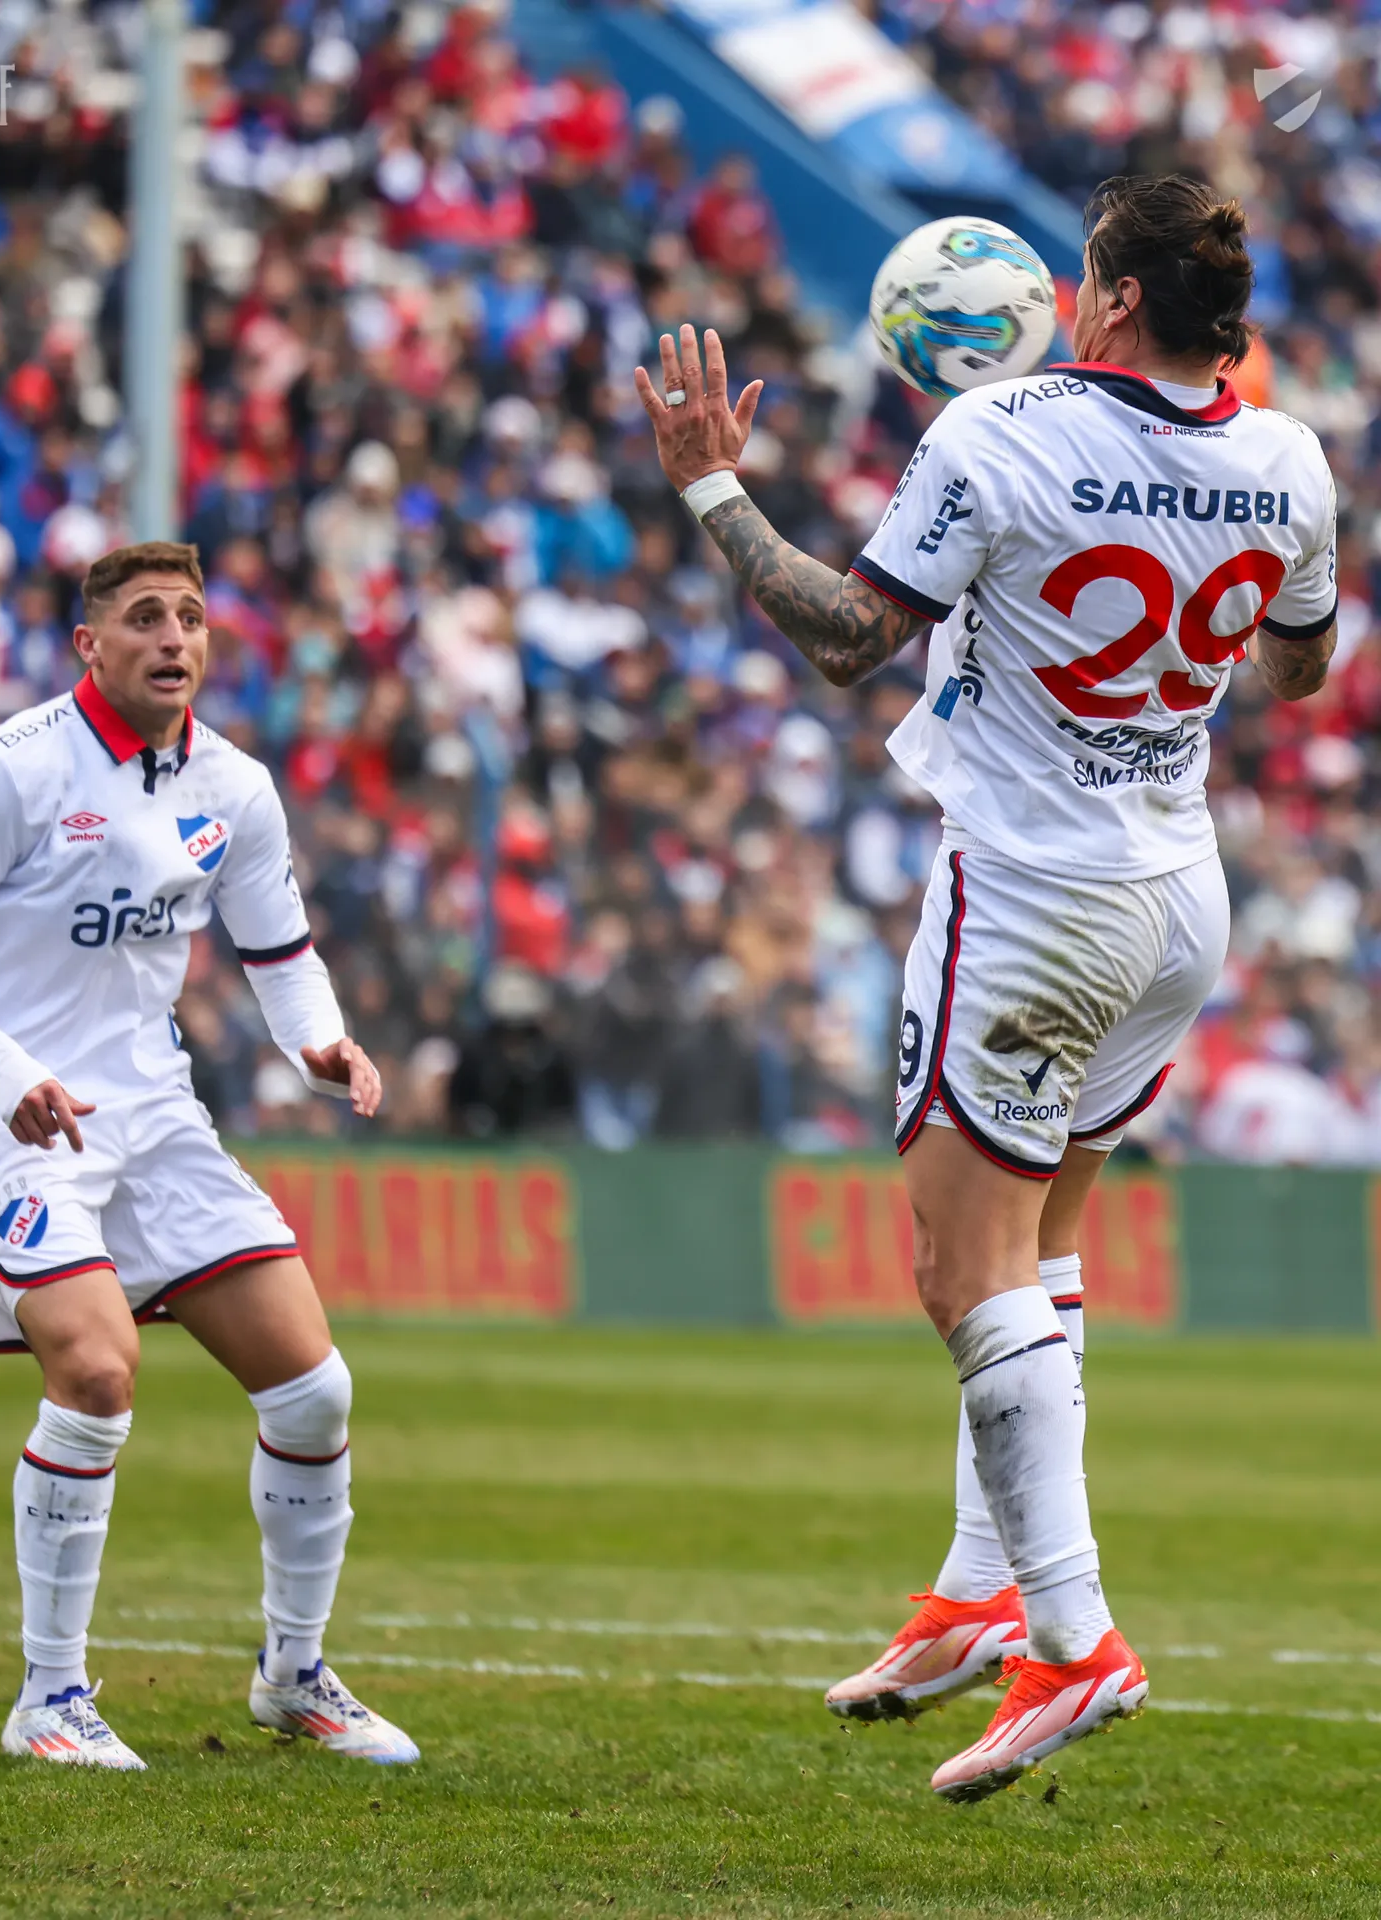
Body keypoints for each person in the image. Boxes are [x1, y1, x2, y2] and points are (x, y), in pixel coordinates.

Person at [635, 176, 1337, 1800]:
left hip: (1030, 896)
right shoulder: (1288, 457)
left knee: (963, 1272)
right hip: (1175, 894)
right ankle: (976, 1596)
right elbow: (1299, 670)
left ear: (1112, 299)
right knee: (1044, 1247)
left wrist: (711, 487)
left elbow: (845, 635)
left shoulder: (997, 431)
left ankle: (1074, 1639)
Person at [0, 541, 420, 1773]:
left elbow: (280, 953)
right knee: (99, 1373)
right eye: (147, 617)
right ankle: (50, 1698)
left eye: (192, 618)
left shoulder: (237, 787)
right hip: (7, 1118)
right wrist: (11, 1074)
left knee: (315, 1390)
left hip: (154, 1116)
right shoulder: (9, 767)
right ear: (90, 644)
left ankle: (293, 1676)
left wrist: (320, 1044)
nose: (174, 638)